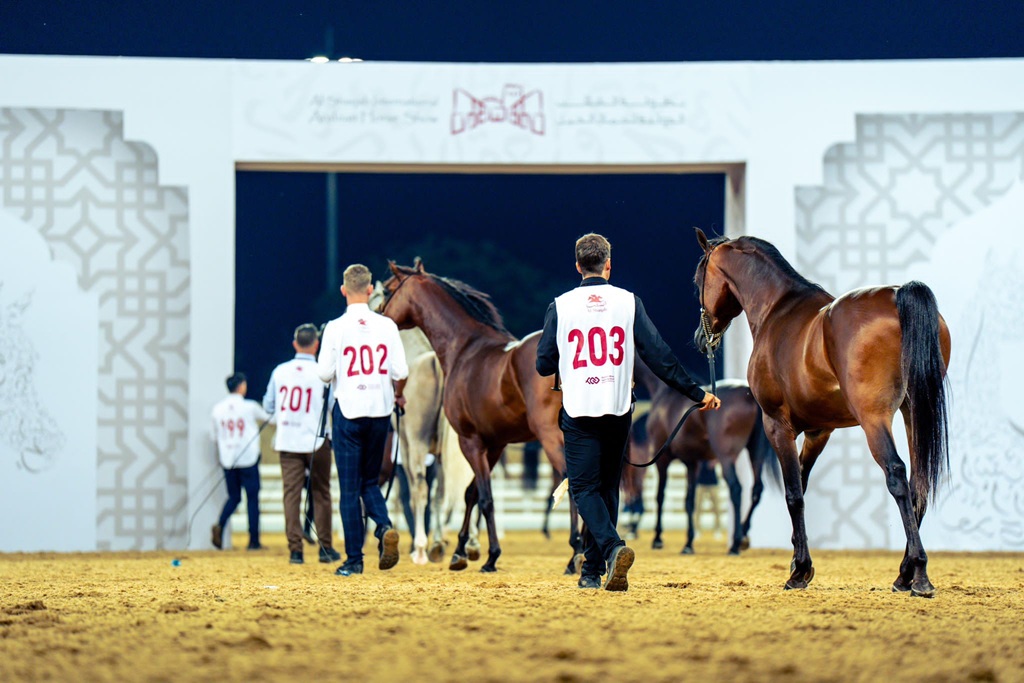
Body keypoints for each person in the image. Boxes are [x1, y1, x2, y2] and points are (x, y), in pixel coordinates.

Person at [536, 233, 721, 591]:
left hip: (579, 408)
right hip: (618, 407)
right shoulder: (628, 302)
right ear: (608, 265)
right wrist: (696, 393)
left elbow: (543, 364)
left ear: (578, 266)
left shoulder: (560, 306)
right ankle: (592, 571)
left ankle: (611, 549)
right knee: (608, 487)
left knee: (584, 488)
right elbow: (660, 356)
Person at [317, 264, 409, 576]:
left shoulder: (335, 327)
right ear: (370, 290)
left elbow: (324, 374)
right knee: (370, 481)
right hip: (380, 412)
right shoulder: (387, 326)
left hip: (349, 411)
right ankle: (383, 526)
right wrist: (395, 392)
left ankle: (354, 559)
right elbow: (401, 371)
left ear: (344, 290)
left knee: (349, 488)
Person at [263, 323, 340, 565]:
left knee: (291, 495)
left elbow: (268, 406)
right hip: (317, 441)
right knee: (322, 493)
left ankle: (295, 550)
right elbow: (333, 407)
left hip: (288, 440)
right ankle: (325, 548)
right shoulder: (323, 373)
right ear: (316, 345)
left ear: (295, 344)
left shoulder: (280, 371)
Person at [210, 372, 270, 550]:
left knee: (234, 497)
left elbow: (214, 437)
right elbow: (270, 418)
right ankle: (253, 540)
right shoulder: (250, 407)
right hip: (248, 459)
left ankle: (220, 524)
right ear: (242, 386)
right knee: (252, 499)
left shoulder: (217, 409)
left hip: (228, 460)